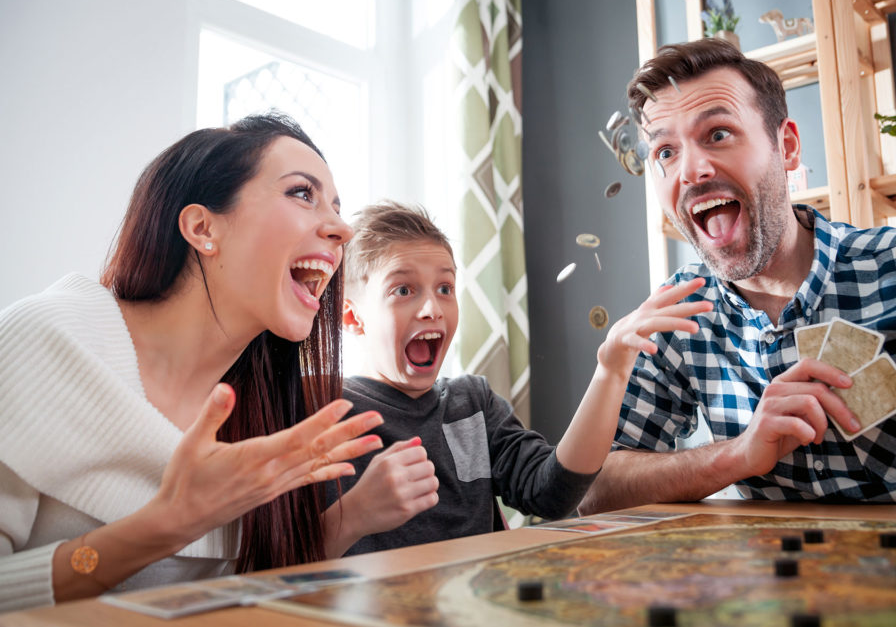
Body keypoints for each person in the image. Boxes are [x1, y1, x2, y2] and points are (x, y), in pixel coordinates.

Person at [579, 38, 896, 512]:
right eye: (665, 151)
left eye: (718, 134)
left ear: (786, 146)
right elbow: (594, 490)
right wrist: (737, 454)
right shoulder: (679, 315)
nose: (692, 170)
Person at [0, 113, 387, 613]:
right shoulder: (43, 341)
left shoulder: (265, 403)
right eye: (301, 194)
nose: (342, 228)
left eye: (337, 207)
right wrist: (165, 525)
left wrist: (347, 518)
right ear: (202, 228)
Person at [324, 201, 711, 554]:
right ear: (354, 318)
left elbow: (554, 494)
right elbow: (283, 556)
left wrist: (610, 372)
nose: (432, 308)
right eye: (403, 290)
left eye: (445, 288)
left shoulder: (472, 403)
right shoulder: (325, 414)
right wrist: (354, 512)